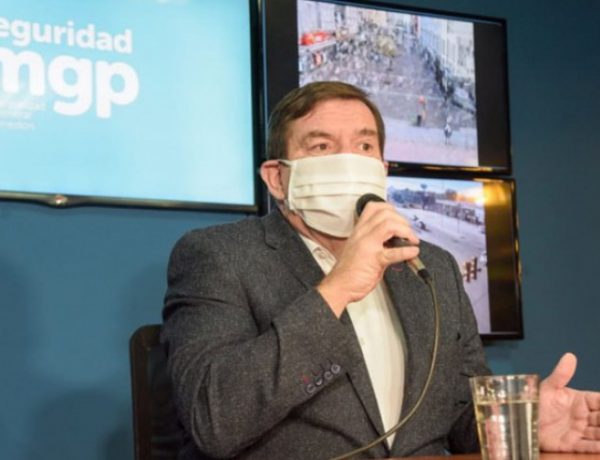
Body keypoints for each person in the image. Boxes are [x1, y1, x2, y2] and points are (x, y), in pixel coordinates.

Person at [161, 81, 600, 459]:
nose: (348, 161)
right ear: (277, 178)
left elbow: (457, 416)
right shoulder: (218, 255)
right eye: (321, 146)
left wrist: (525, 421)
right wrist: (337, 288)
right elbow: (214, 420)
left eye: (364, 146)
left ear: (382, 170)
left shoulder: (432, 266)